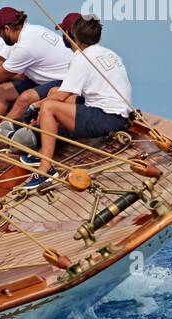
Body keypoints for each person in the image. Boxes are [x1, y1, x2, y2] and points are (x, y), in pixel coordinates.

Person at [23, 16, 134, 189]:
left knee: (49, 107)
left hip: (106, 119)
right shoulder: (107, 53)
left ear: (71, 35)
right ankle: (47, 146)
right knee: (53, 92)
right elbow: (62, 93)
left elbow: (61, 97)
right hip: (119, 115)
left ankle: (46, 169)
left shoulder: (82, 58)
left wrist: (33, 107)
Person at [0, 7, 74, 147]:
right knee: (3, 90)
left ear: (7, 28)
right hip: (45, 78)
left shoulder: (25, 46)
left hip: (65, 80)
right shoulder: (34, 31)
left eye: (0, 32)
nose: (0, 36)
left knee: (25, 98)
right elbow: (16, 73)